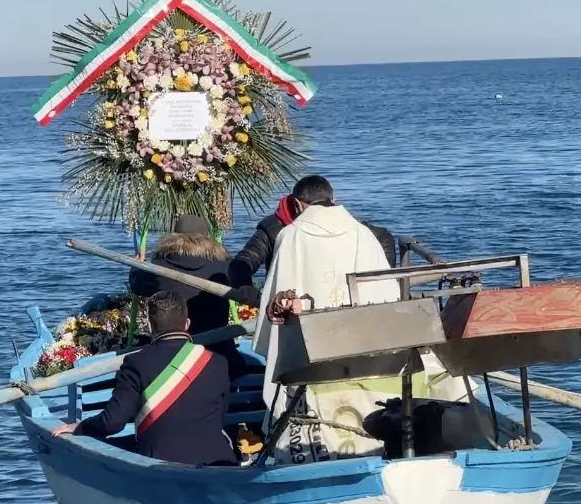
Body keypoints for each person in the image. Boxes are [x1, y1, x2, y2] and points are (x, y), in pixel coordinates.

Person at [250, 182, 406, 465]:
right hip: (362, 348)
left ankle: (307, 452)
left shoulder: (291, 236)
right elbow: (386, 294)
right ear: (333, 199)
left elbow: (277, 297)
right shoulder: (364, 235)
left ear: (297, 204)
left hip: (310, 354)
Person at [51, 290, 237, 467]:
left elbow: (112, 422)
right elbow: (219, 416)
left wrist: (81, 427)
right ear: (187, 324)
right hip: (220, 462)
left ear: (149, 326)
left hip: (161, 464)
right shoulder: (218, 362)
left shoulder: (136, 363)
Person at [228, 176, 396, 307]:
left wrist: (382, 271)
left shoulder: (349, 224)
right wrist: (249, 291)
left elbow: (381, 236)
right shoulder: (275, 229)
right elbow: (243, 262)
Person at [129, 215, 251, 380]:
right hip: (220, 352)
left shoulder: (159, 267)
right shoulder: (224, 265)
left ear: (174, 237)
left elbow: (138, 286)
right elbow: (242, 284)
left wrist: (136, 267)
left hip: (173, 357)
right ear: (207, 238)